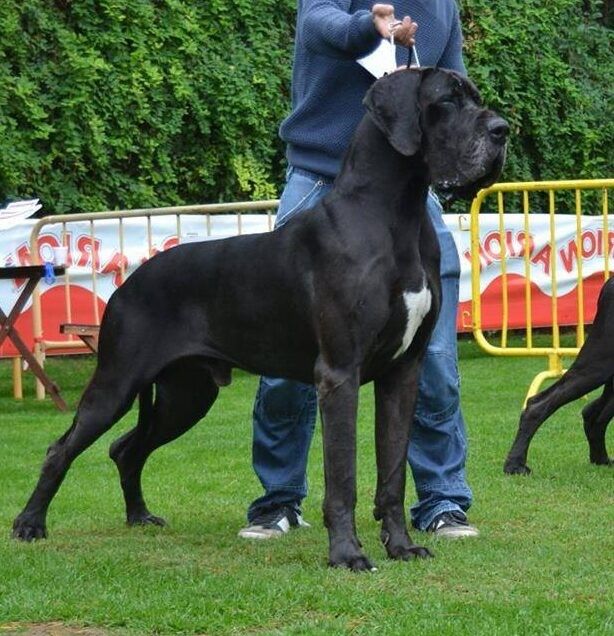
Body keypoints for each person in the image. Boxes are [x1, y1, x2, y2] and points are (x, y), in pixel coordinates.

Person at [239, 1, 479, 541]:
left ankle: (441, 500)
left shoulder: (441, 5)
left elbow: (454, 87)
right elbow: (316, 24)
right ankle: (278, 501)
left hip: (408, 196)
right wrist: (363, 29)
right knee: (285, 365)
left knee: (436, 358)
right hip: (318, 180)